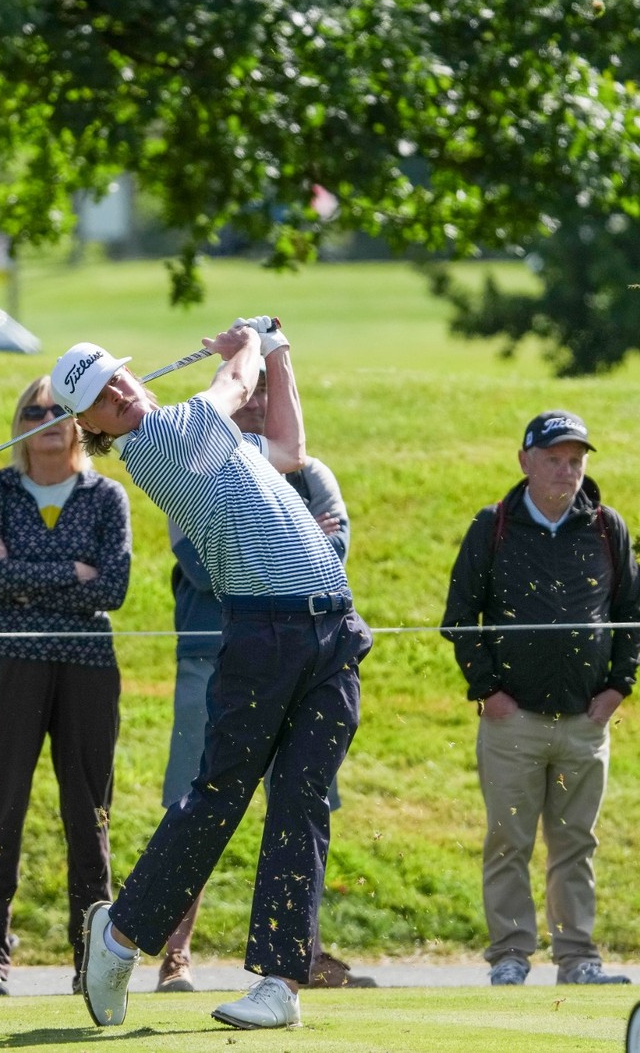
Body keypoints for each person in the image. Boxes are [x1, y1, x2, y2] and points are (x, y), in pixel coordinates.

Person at [61, 317, 373, 1031]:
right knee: (221, 798)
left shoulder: (215, 440)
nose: (117, 392)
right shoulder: (162, 441)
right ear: (94, 428)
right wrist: (247, 348)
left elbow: (291, 448)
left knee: (304, 802)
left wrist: (281, 353)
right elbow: (236, 383)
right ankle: (120, 934)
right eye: (101, 400)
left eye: (116, 376)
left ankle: (279, 985)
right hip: (265, 633)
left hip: (333, 632)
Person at [155, 362, 373, 993]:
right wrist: (287, 552)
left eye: (264, 398)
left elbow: (335, 556)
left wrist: (262, 556)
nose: (253, 408)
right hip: (215, 658)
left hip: (304, 657)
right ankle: (176, 956)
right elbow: (206, 566)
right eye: (246, 397)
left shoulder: (311, 471)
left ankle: (300, 955)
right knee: (197, 800)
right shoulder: (196, 465)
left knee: (300, 802)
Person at [441, 410, 640, 987]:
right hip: (513, 720)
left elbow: (632, 611)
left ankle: (577, 958)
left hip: (587, 719)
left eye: (576, 461)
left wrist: (617, 687)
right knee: (509, 840)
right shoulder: (494, 526)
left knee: (575, 843)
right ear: (525, 462)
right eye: (554, 460)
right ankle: (510, 955)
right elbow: (460, 619)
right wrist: (487, 691)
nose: (566, 472)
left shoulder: (607, 527)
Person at [0, 376, 133, 998]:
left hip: (88, 664)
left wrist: (25, 575)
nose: (49, 419)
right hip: (9, 660)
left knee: (89, 815)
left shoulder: (106, 496)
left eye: (61, 409)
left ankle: (92, 963)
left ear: (79, 424)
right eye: (35, 410)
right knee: (1, 807)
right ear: (21, 423)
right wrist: (71, 572)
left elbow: (111, 588)